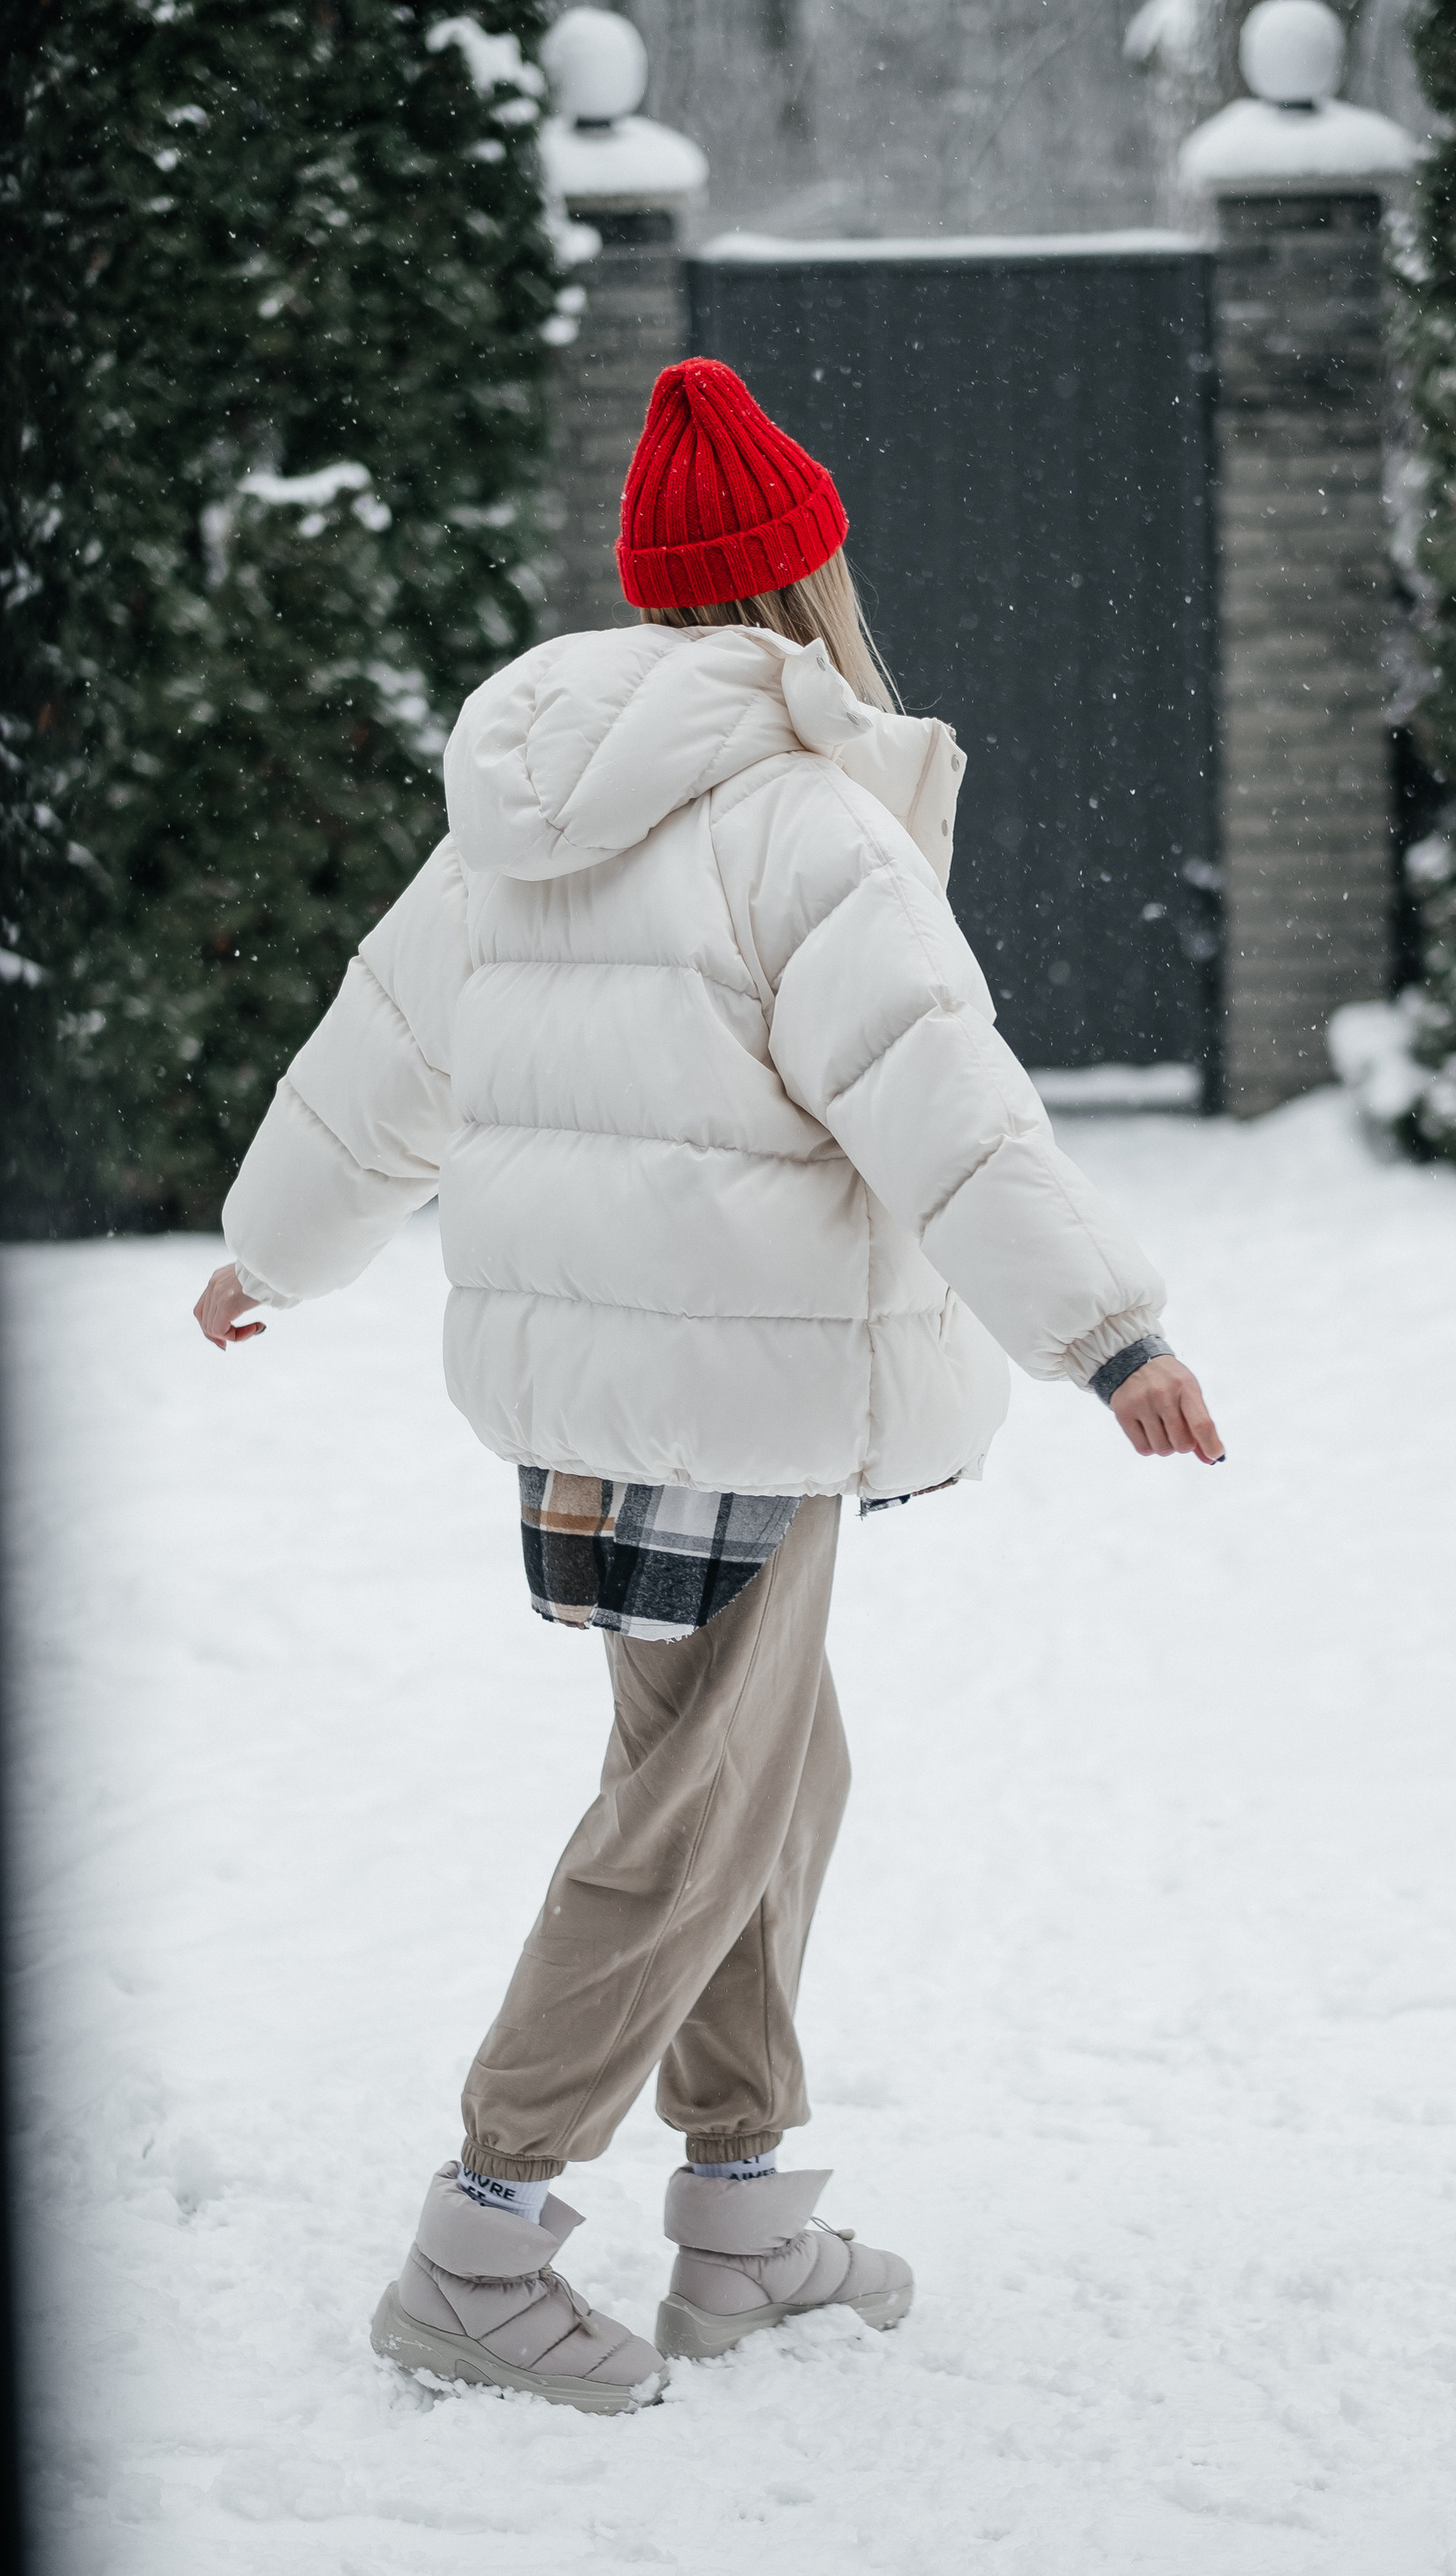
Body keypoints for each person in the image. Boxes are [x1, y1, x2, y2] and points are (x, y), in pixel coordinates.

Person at [193, 357, 1224, 2416]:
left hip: (593, 1392)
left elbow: (377, 1052)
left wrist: (273, 1249)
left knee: (770, 1776)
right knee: (687, 1813)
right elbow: (947, 1109)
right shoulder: (793, 819)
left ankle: (741, 2217)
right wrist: (1107, 1331)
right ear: (803, 584)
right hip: (737, 1400)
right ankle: (479, 2244)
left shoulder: (521, 808)